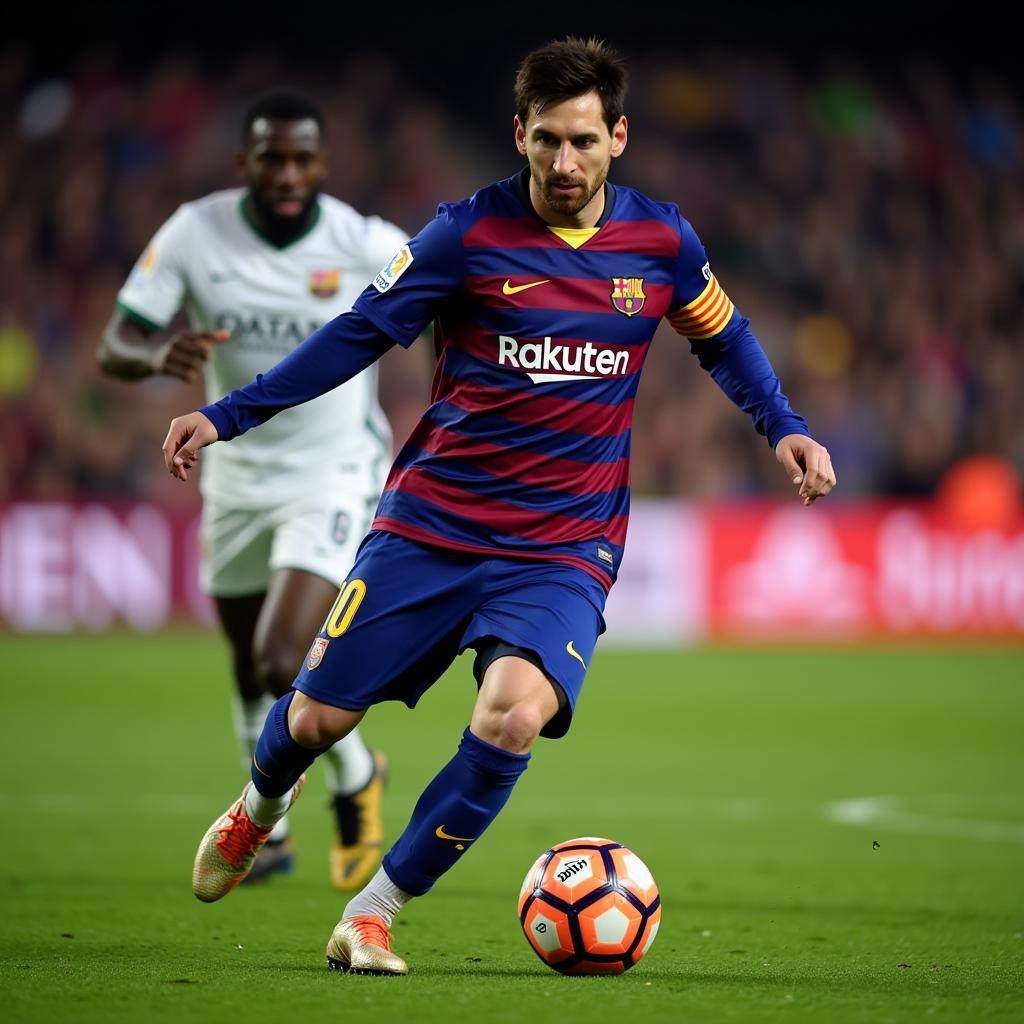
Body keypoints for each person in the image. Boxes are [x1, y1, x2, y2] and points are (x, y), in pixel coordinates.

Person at [162, 38, 836, 976]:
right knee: (314, 723)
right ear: (518, 134)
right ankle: (259, 806)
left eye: (586, 142)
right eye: (549, 140)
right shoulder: (464, 236)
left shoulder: (663, 242)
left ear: (619, 138)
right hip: (433, 528)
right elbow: (357, 334)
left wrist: (785, 428)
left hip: (565, 544)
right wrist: (227, 414)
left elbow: (724, 339)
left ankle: (373, 911)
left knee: (512, 716)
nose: (566, 164)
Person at [99, 90, 407, 891]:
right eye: (272, 157)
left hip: (335, 469)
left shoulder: (366, 241)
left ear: (324, 165)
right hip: (233, 472)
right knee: (244, 661)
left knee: (280, 659)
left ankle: (348, 779)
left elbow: (455, 298)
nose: (288, 173)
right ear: (245, 163)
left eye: (304, 158)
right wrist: (157, 355)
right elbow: (118, 340)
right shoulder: (197, 233)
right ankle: (281, 834)